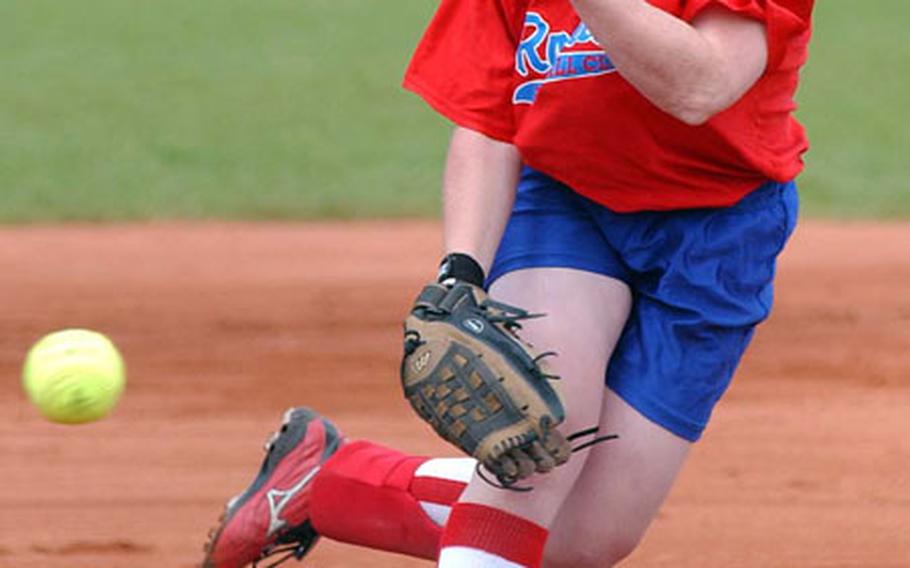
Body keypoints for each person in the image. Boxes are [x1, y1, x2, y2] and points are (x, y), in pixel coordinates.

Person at [202, 0, 815, 566]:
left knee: (585, 538)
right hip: (567, 201)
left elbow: (700, 86)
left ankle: (327, 480)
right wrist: (461, 272)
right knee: (534, 446)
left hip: (719, 237)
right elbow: (488, 120)